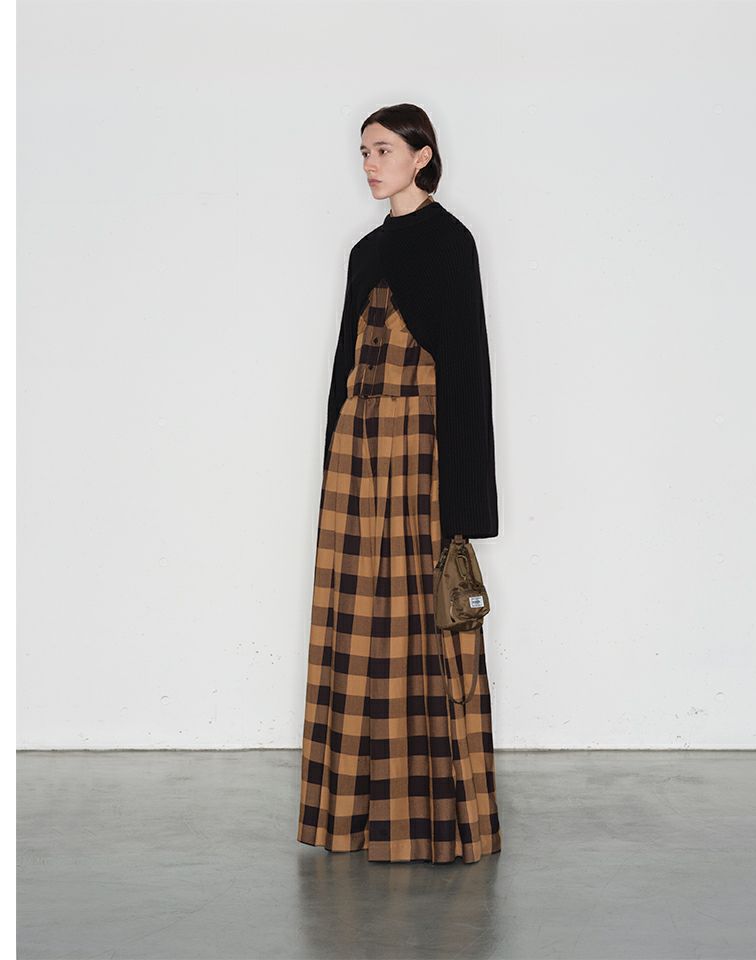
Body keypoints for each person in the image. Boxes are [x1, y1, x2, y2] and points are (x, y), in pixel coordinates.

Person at [297, 103, 501, 863]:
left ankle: (433, 822)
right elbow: (343, 368)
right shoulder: (365, 251)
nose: (369, 164)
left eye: (382, 150)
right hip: (358, 454)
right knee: (354, 626)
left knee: (425, 623)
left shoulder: (451, 243)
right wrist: (332, 458)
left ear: (422, 156)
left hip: (421, 452)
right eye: (363, 152)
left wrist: (467, 504)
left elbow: (467, 372)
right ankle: (351, 815)